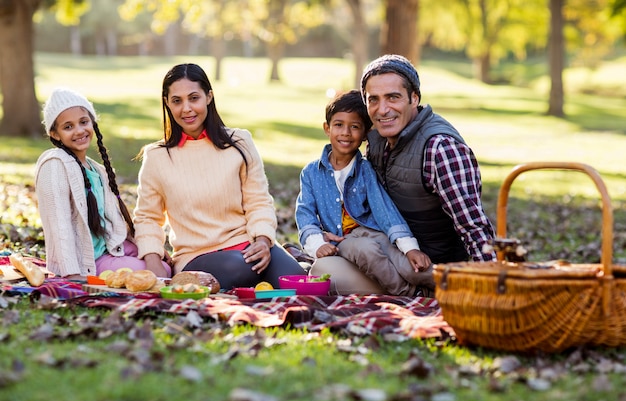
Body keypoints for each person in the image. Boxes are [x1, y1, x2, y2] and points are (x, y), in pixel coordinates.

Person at [133, 63, 305, 290]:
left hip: (248, 246)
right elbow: (147, 217)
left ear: (209, 97)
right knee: (239, 268)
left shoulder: (240, 142)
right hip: (196, 255)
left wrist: (263, 241)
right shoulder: (157, 156)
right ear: (167, 103)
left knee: (298, 281)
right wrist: (152, 260)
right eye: (177, 101)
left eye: (194, 98)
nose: (186, 108)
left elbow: (258, 201)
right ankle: (199, 282)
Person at [295, 90, 433, 296]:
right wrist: (317, 244)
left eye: (355, 127)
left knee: (407, 264)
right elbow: (305, 214)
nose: (346, 133)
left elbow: (385, 210)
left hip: (375, 232)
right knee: (366, 250)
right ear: (327, 128)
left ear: (365, 133)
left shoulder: (365, 170)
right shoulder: (312, 173)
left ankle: (456, 285)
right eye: (339, 125)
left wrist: (409, 247)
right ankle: (410, 293)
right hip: (344, 240)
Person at [362, 54, 496, 264]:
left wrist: (494, 281)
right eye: (373, 99)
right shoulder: (377, 141)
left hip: (434, 270)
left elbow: (473, 227)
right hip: (391, 257)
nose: (383, 109)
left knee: (331, 272)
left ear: (414, 98)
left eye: (393, 97)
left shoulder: (440, 149)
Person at [35, 87, 172, 280]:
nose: (79, 130)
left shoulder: (97, 170)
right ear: (55, 134)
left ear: (92, 122)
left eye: (84, 122)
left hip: (111, 246)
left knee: (162, 263)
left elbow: (113, 220)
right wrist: (72, 274)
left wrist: (149, 250)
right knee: (161, 273)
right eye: (68, 127)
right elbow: (59, 224)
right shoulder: (55, 164)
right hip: (89, 261)